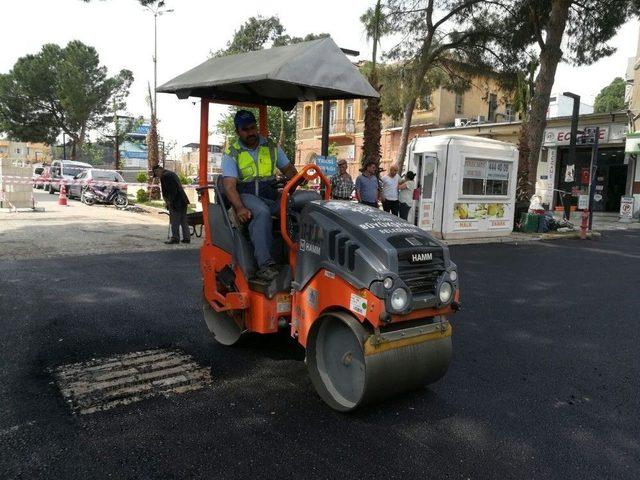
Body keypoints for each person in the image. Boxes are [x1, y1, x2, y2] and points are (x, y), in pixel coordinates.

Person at [221, 110, 298, 280]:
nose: (251, 132)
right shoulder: (232, 153)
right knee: (262, 212)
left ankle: (301, 255)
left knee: (299, 204)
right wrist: (240, 208)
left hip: (270, 193)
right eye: (245, 129)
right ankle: (265, 264)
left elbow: (289, 170)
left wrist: (296, 177)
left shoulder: (271, 146)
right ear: (237, 131)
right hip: (245, 195)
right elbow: (229, 187)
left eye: (253, 127)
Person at [152, 164, 191, 245]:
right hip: (183, 200)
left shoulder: (165, 176)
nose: (157, 176)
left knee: (174, 220)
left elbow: (171, 190)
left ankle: (175, 238)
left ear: (159, 170)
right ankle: (187, 238)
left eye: (156, 173)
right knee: (183, 220)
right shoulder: (171, 173)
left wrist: (169, 202)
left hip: (176, 202)